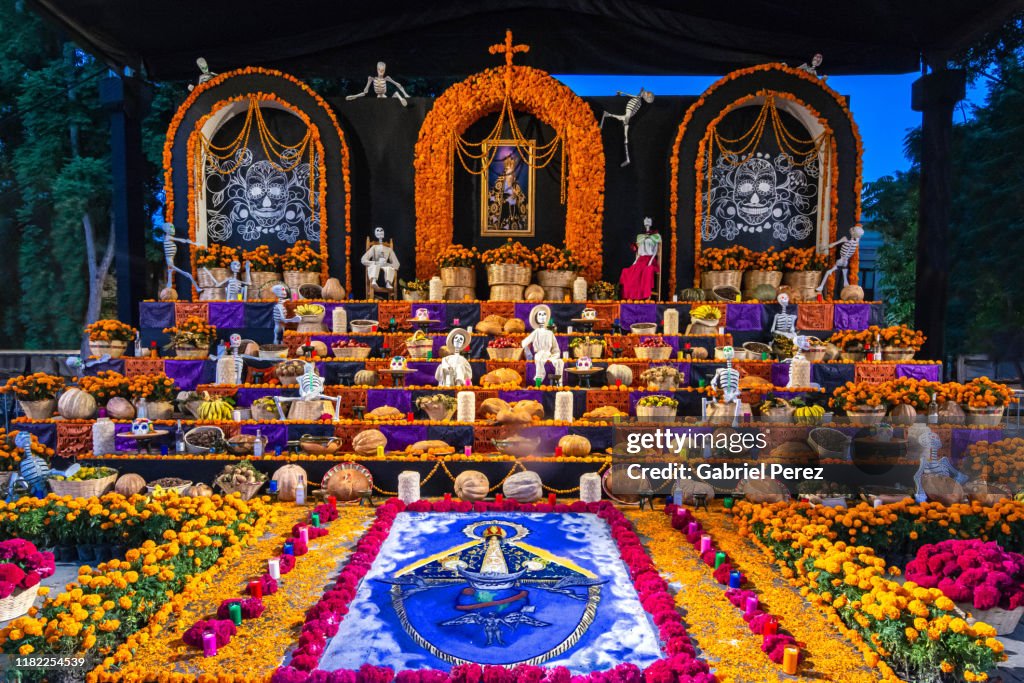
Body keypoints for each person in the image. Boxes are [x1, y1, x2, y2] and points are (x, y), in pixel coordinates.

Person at [619, 217, 661, 299]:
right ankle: (631, 294)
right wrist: (635, 262)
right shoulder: (641, 237)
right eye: (646, 223)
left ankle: (643, 294)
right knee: (627, 271)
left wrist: (650, 262)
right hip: (640, 260)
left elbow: (655, 251)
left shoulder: (655, 237)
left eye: (649, 223)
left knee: (646, 270)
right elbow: (638, 252)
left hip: (650, 260)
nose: (647, 224)